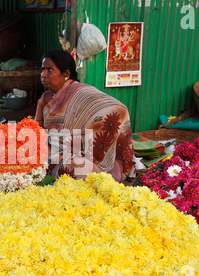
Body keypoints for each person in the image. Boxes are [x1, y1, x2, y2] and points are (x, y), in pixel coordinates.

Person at [35, 49, 135, 182]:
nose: (43, 75)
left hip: (79, 156)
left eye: (50, 70)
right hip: (51, 152)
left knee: (74, 166)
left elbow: (119, 109)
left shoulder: (81, 92)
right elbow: (36, 128)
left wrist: (87, 140)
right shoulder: (44, 98)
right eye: (42, 70)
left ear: (66, 74)